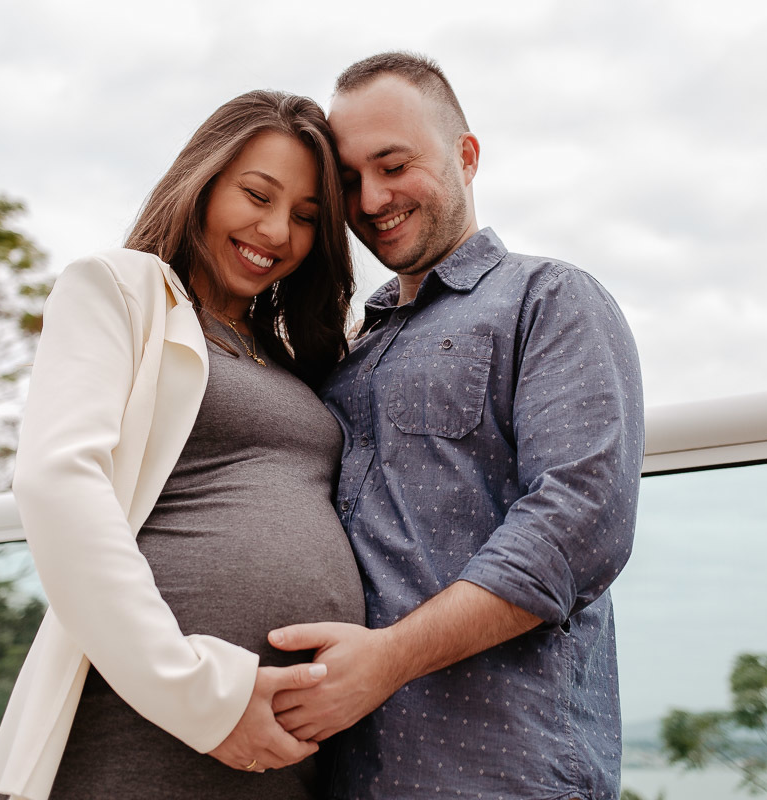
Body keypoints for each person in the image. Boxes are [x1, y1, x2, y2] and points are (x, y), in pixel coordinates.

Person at [267, 53, 645, 799]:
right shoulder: (344, 351)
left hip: (504, 773)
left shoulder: (549, 299)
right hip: (344, 775)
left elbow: (581, 520)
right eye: (348, 181)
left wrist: (386, 660)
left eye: (394, 164)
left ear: (466, 156)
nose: (372, 199)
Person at [0, 90, 365, 800]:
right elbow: (58, 483)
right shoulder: (121, 290)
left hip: (285, 745)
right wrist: (202, 698)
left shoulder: (287, 357)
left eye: (307, 217)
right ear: (203, 182)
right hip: (152, 723)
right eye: (257, 194)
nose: (277, 231)